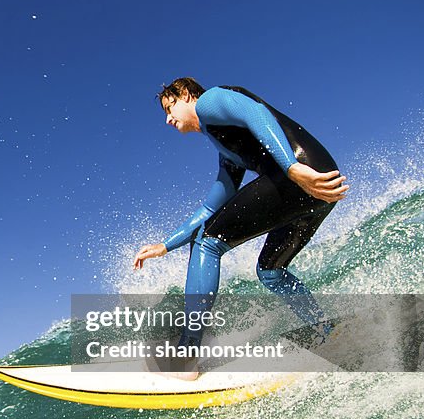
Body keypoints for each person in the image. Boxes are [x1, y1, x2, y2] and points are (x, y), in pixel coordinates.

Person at [133, 78, 348, 376]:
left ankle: (186, 355)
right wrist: (165, 245)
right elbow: (210, 208)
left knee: (208, 242)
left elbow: (255, 112)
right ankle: (325, 331)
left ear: (186, 94)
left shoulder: (210, 102)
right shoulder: (227, 152)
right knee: (271, 271)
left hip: (302, 175)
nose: (168, 119)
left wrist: (292, 168)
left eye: (170, 108)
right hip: (318, 183)